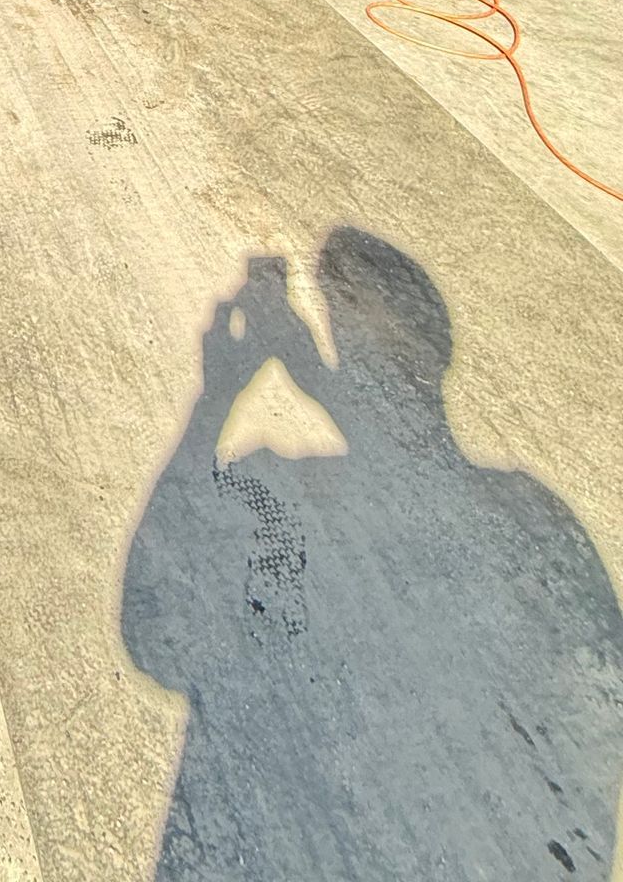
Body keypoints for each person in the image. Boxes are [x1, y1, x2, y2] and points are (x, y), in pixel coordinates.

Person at [123, 229, 623, 879]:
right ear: (435, 360)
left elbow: (152, 638)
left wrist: (216, 394)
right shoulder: (538, 522)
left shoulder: (277, 494)